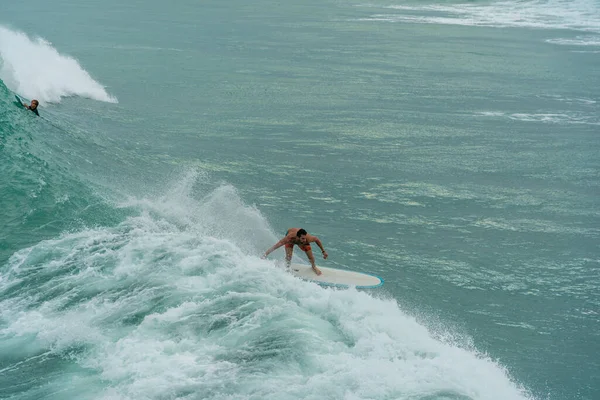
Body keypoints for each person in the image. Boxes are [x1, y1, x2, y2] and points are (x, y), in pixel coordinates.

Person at [262, 228, 328, 275]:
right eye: (302, 238)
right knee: (289, 257)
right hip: (291, 239)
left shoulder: (307, 239)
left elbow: (317, 240)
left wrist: (323, 251)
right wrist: (265, 255)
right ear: (297, 237)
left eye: (305, 238)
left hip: (301, 242)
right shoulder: (289, 238)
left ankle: (314, 267)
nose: (304, 240)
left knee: (311, 257)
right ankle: (287, 268)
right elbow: (276, 246)